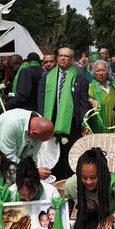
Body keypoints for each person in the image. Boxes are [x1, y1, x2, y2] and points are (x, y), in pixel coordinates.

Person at [38, 47, 90, 179]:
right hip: (51, 121)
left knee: (69, 156)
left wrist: (84, 124)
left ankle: (68, 183)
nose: (62, 58)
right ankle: (54, 182)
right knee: (52, 155)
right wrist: (40, 120)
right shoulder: (47, 76)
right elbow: (41, 99)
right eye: (60, 55)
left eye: (66, 56)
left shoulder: (79, 77)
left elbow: (84, 103)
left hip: (71, 124)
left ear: (72, 60)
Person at [0, 109, 54, 179]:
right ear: (34, 133)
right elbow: (9, 155)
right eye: (40, 140)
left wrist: (33, 169)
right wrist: (33, 172)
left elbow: (33, 155)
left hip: (15, 154)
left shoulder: (39, 124)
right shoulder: (11, 123)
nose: (40, 142)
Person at [88, 59, 115, 133]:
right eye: (98, 71)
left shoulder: (114, 85)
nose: (101, 73)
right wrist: (91, 101)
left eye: (103, 70)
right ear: (93, 73)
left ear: (107, 72)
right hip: (100, 124)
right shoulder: (90, 87)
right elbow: (88, 99)